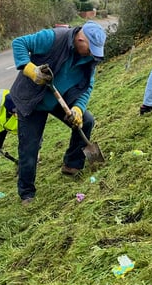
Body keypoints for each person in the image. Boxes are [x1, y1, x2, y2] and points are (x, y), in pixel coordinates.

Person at [9, 20, 107, 205]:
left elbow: (87, 87)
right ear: (80, 38)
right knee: (29, 148)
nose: (92, 53)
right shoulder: (53, 37)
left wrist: (78, 108)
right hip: (32, 98)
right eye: (90, 47)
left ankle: (72, 164)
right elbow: (19, 43)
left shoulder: (90, 59)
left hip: (59, 98)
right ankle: (27, 193)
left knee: (86, 121)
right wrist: (31, 70)